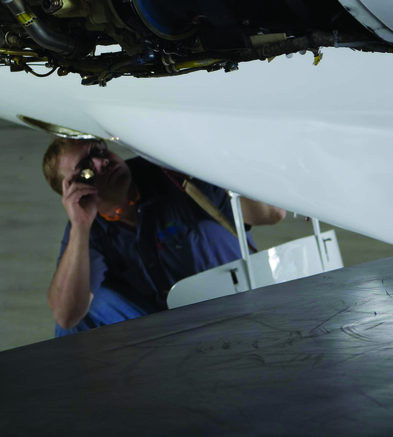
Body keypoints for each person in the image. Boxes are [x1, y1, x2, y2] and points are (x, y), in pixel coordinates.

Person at [42, 137, 286, 337]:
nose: (101, 162)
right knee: (82, 309)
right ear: (75, 189)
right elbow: (66, 315)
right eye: (85, 169)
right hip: (173, 326)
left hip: (236, 302)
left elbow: (272, 214)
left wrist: (215, 158)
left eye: (98, 150)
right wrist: (80, 228)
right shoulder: (88, 223)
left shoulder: (169, 172)